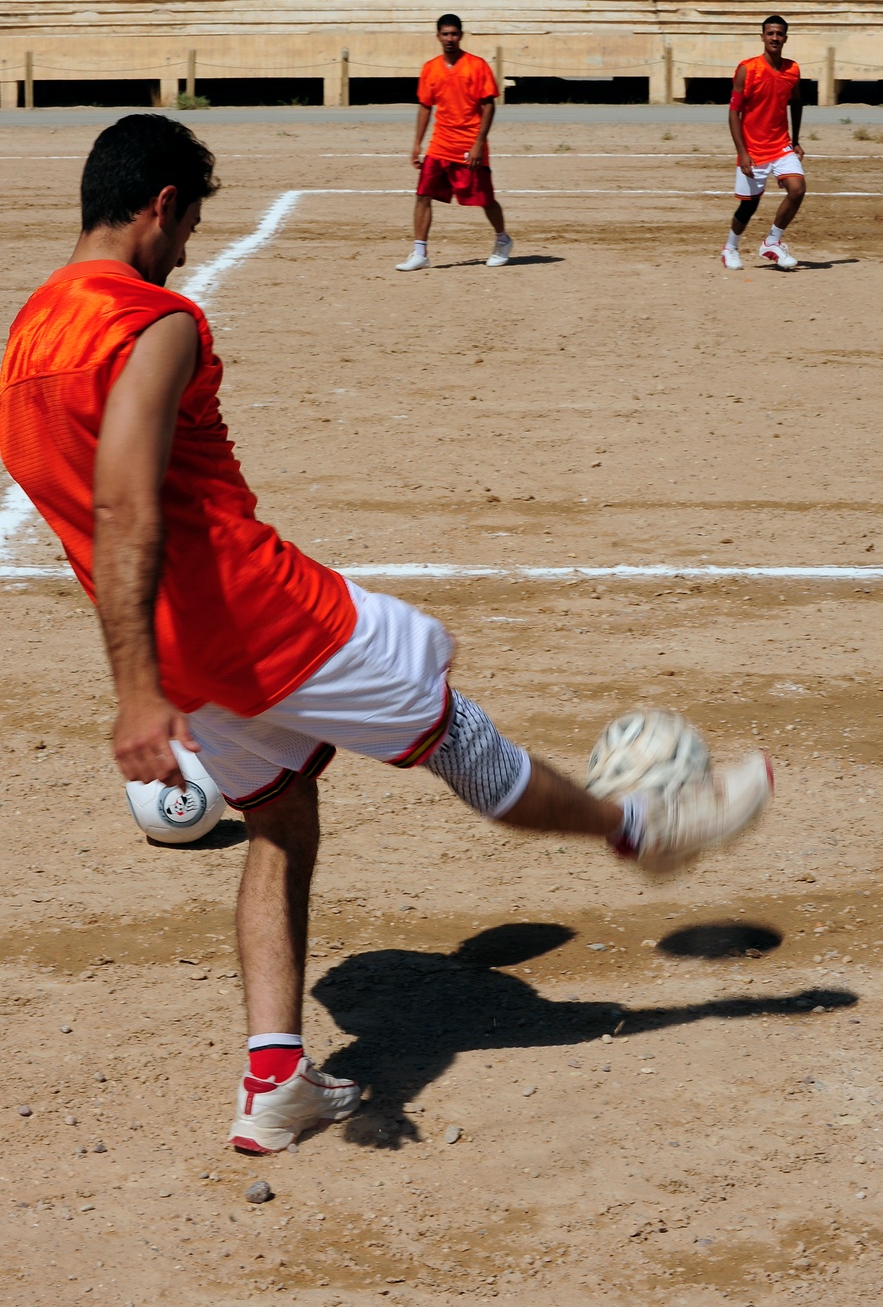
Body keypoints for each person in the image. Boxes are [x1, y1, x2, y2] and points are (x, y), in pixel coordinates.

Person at [0, 115, 770, 1156]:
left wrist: (155, 674)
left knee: (279, 819)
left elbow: (87, 513)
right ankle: (640, 830)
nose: (187, 249)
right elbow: (127, 506)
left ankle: (274, 1078)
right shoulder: (155, 321)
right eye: (190, 224)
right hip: (267, 617)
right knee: (449, 719)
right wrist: (134, 693)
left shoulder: (26, 333)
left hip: (195, 657)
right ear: (164, 206)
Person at [396, 13, 513, 272]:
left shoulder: (477, 65)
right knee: (423, 195)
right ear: (438, 36)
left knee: (484, 199)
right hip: (440, 144)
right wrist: (417, 143)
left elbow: (488, 106)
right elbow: (425, 106)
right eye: (445, 34)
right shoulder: (430, 68)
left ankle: (503, 240)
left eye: (454, 34)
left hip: (469, 143)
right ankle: (420, 252)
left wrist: (478, 144)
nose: (450, 38)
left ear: (461, 35)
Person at [722, 15, 805, 272]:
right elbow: (733, 113)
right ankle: (730, 248)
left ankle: (771, 241)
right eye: (770, 33)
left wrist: (796, 140)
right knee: (749, 205)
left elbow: (797, 102)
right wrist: (742, 153)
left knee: (797, 189)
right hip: (754, 149)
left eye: (779, 34)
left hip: (780, 145)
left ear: (785, 38)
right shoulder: (747, 69)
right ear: (762, 37)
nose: (775, 38)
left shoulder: (793, 70)